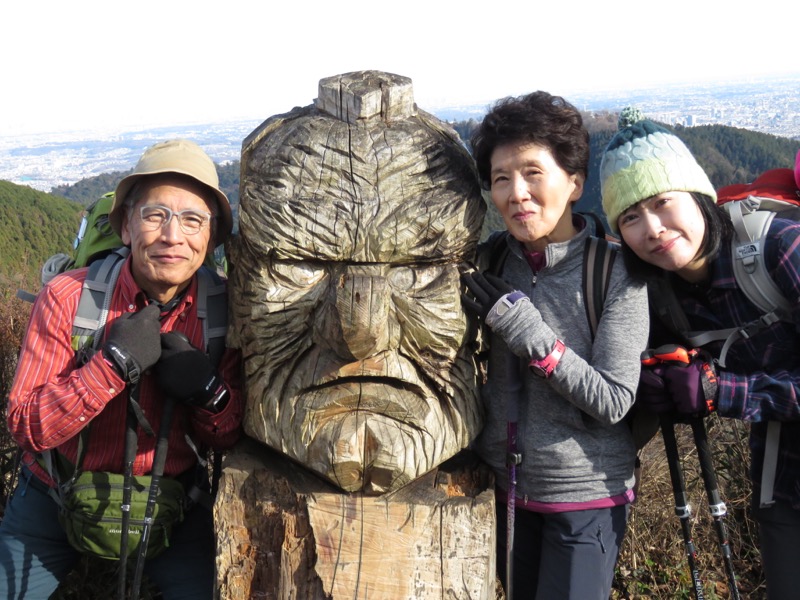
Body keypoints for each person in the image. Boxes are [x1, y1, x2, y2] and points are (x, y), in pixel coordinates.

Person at [0, 139, 244, 599]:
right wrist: (110, 368)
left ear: (210, 238)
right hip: (56, 491)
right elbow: (27, 425)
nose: (173, 235)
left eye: (193, 220)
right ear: (127, 227)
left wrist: (208, 393)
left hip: (173, 500)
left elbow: (228, 434)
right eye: (155, 215)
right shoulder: (71, 298)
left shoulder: (221, 309)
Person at [600, 108, 800, 600]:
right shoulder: (653, 295)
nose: (653, 228)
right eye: (631, 217)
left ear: (698, 195)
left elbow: (718, 390)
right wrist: (652, 384)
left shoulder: (779, 246)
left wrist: (719, 390)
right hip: (785, 483)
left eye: (664, 203)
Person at [461, 91, 649, 599]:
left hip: (586, 499)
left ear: (574, 183)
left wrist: (526, 329)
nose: (516, 193)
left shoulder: (614, 273)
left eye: (532, 173)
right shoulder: (490, 261)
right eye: (501, 179)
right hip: (505, 492)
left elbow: (613, 399)